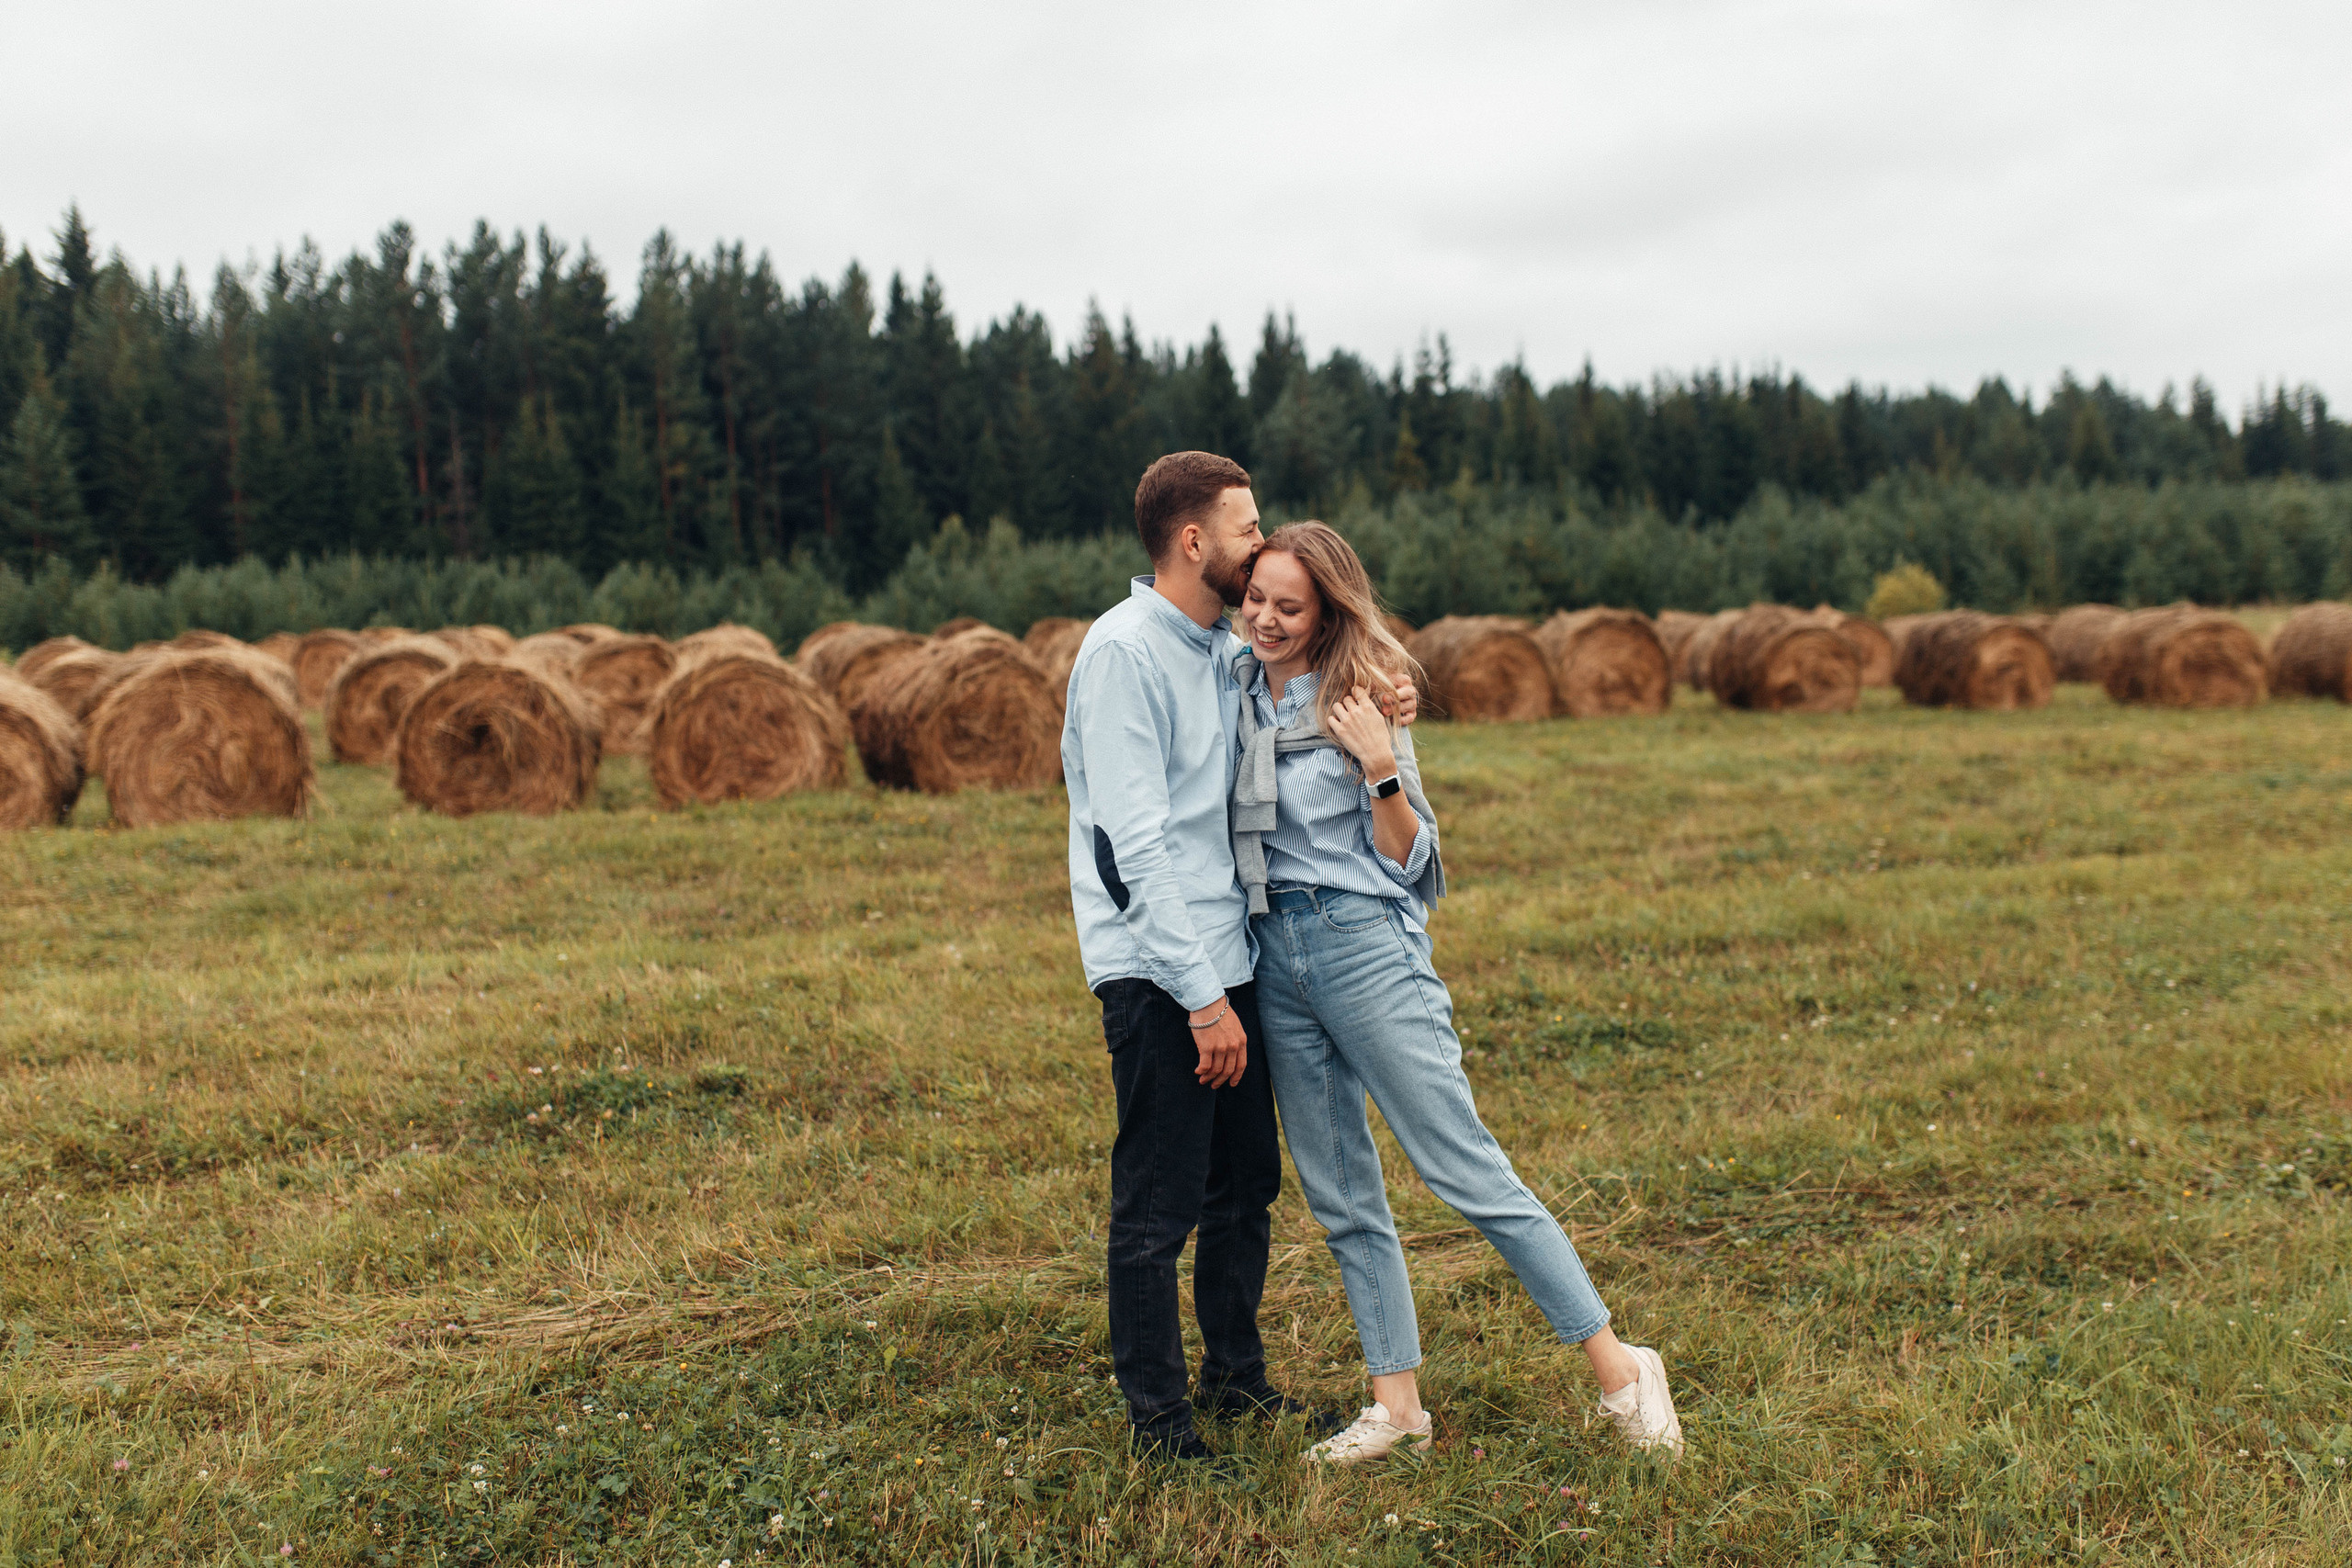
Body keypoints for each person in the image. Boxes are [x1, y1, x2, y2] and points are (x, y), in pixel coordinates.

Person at [1232, 520, 1685, 1465]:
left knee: (1464, 1169)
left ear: (1327, 614)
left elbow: (1411, 858)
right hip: (1272, 953)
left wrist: (1379, 763)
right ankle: (1395, 1408)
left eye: (1288, 606)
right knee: (1342, 1194)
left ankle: (1621, 1368)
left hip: (1362, 945)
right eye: (1256, 599)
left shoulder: (1364, 698)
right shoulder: (1229, 688)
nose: (1264, 619)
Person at [1062, 453, 1417, 1465]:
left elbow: (1299, 675)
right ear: (1191, 542)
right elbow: (1130, 848)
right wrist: (1199, 1001)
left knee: (1243, 1190)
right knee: (1158, 1203)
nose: (1257, 544)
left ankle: (1234, 1380)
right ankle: (1160, 1424)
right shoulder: (1125, 654)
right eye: (1244, 527)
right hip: (1161, 971)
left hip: (1231, 960)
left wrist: (1387, 698)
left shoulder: (1211, 645)